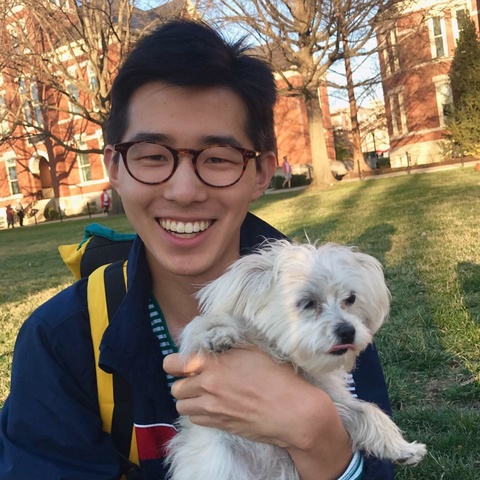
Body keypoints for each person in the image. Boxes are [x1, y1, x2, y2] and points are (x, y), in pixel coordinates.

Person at [0, 20, 394, 479]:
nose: (184, 191)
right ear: (115, 167)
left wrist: (313, 430)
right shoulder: (61, 340)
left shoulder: (330, 300)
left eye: (218, 159)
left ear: (262, 173)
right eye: (152, 155)